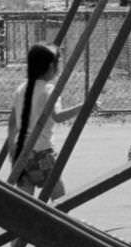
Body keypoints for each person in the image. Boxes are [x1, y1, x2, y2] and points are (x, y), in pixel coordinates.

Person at [5, 42, 77, 197]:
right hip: (42, 153)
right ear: (51, 67)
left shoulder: (21, 89)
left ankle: (24, 219)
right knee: (58, 194)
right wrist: (84, 106)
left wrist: (12, 148)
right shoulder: (49, 90)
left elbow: (12, 124)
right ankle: (63, 219)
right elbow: (58, 117)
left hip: (22, 153)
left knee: (25, 198)